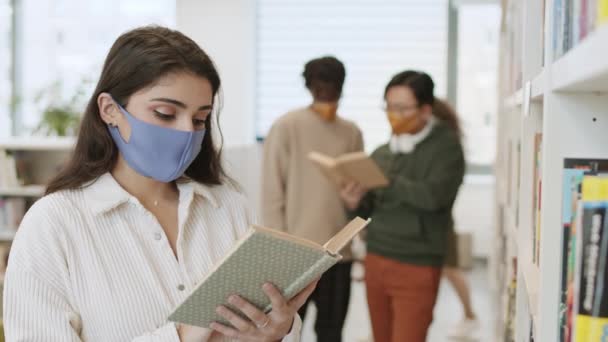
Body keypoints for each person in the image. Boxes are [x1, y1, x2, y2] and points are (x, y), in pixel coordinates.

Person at [3, 26, 317, 342]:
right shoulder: (53, 224)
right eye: (166, 114)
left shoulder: (230, 206)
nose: (185, 133)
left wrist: (279, 333)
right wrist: (180, 335)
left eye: (199, 120)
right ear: (110, 110)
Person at [340, 70, 465, 342]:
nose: (393, 114)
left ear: (425, 109)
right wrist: (353, 203)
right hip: (376, 259)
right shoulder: (382, 152)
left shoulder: (447, 148)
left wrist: (387, 181)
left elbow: (435, 197)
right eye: (389, 106)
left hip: (417, 264)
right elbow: (367, 210)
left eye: (402, 107)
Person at [261, 56, 363, 342]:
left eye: (332, 90)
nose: (326, 96)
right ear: (309, 88)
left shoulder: (351, 132)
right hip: (297, 255)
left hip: (339, 255)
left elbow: (358, 190)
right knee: (287, 332)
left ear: (342, 89)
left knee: (331, 332)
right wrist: (279, 251)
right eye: (320, 90)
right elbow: (272, 193)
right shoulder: (286, 126)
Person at [432, 99, 479, 339]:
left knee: (451, 269)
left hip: (440, 223)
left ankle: (470, 315)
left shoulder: (448, 147)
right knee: (448, 270)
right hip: (432, 223)